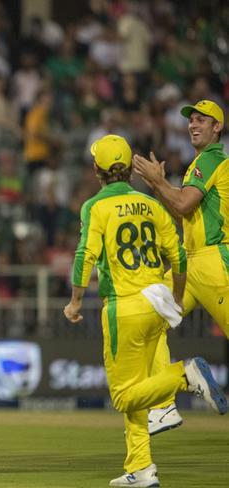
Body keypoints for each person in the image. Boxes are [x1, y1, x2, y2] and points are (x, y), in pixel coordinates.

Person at [64, 134, 226, 487]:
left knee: (123, 395)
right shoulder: (150, 204)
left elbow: (84, 256)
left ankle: (185, 375)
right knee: (139, 387)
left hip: (123, 306)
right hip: (158, 301)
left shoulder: (95, 207)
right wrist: (178, 298)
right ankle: (141, 468)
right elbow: (179, 255)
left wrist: (76, 301)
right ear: (129, 172)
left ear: (97, 170)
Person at [133, 100, 228, 435]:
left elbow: (183, 203)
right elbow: (184, 212)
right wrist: (159, 186)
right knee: (148, 322)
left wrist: (158, 182)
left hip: (215, 262)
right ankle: (164, 406)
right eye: (191, 120)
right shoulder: (199, 164)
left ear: (218, 127)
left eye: (203, 120)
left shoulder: (212, 159)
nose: (193, 124)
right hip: (193, 263)